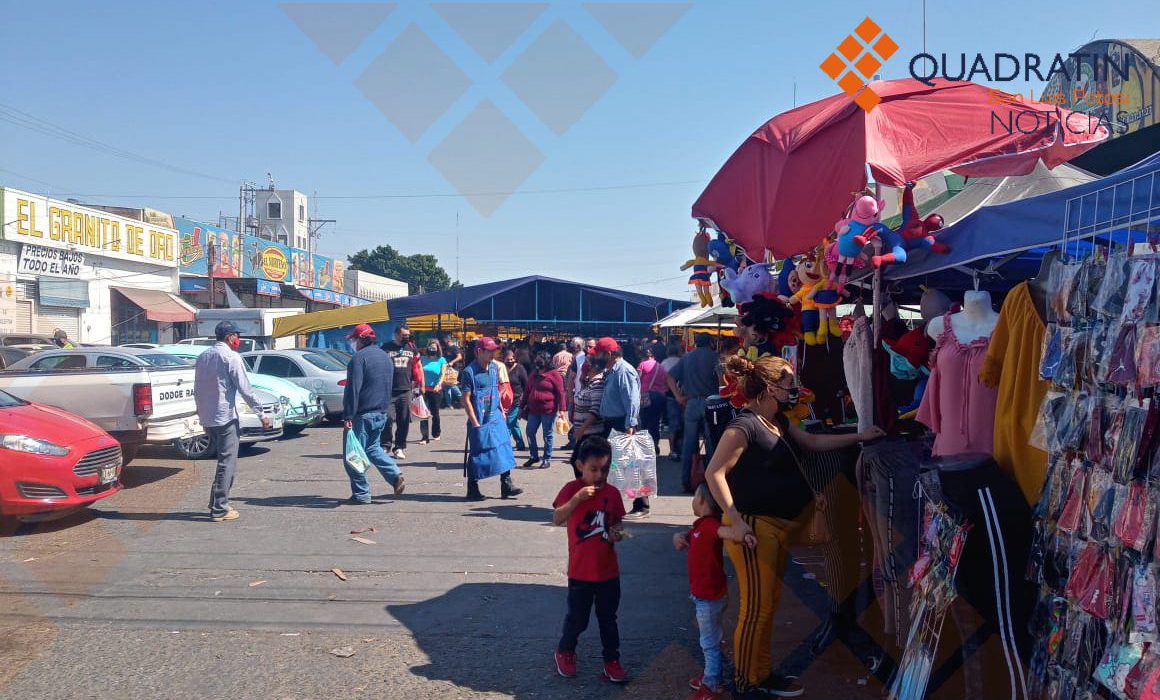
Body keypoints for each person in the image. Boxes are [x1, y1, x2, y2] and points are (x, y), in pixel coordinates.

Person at [705, 355, 884, 697]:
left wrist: (860, 436)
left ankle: (760, 674)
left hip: (773, 528)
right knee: (756, 608)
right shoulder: (743, 426)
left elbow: (813, 443)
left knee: (766, 606)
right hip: (754, 528)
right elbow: (715, 473)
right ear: (770, 389)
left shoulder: (778, 422)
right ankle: (746, 683)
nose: (794, 390)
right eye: (788, 384)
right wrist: (738, 519)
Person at [552, 435, 629, 684]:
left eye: (604, 470)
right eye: (594, 469)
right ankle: (565, 650)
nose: (599, 475)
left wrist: (617, 532)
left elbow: (616, 522)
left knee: (609, 619)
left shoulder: (613, 494)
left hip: (608, 571)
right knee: (578, 617)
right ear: (580, 466)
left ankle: (612, 661)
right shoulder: (572, 489)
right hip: (580, 572)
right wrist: (577, 500)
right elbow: (557, 518)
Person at [674, 484, 755, 700]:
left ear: (701, 501)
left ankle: (711, 685)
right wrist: (680, 537)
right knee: (713, 639)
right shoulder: (700, 527)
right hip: (709, 595)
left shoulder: (709, 525)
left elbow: (724, 533)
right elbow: (690, 537)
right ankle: (713, 675)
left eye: (694, 497)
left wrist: (742, 534)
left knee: (708, 643)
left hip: (708, 598)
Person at [193, 321, 270, 522]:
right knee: (227, 463)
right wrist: (261, 414)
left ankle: (216, 502)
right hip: (225, 417)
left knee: (222, 462)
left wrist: (201, 414)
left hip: (209, 417)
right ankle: (220, 508)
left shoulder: (204, 356)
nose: (239, 340)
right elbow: (245, 389)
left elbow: (197, 388)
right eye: (237, 335)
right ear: (229, 337)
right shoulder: (231, 357)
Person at [341, 324, 405, 504]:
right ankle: (395, 475)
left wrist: (348, 416)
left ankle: (361, 494)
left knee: (352, 455)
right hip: (381, 413)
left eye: (354, 339)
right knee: (372, 448)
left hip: (361, 415)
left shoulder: (358, 359)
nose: (353, 343)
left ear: (361, 339)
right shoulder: (385, 357)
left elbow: (353, 389)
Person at [461, 337, 523, 501]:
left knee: (504, 447)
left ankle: (506, 484)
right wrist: (474, 421)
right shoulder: (469, 372)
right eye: (489, 351)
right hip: (479, 417)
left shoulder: (495, 367)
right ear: (479, 351)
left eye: (494, 350)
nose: (493, 353)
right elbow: (466, 399)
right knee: (479, 452)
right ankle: (472, 488)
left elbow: (495, 390)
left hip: (495, 414)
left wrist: (502, 410)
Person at [593, 337, 646, 519]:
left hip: (622, 423)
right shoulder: (612, 371)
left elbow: (632, 399)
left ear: (608, 354)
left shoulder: (624, 371)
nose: (596, 358)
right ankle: (611, 504)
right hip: (611, 423)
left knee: (630, 466)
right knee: (615, 466)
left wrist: (630, 425)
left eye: (598, 354)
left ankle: (641, 505)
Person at [668, 333, 721, 494]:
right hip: (711, 403)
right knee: (712, 444)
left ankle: (686, 481)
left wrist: (678, 396)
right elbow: (723, 378)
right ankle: (712, 482)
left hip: (691, 403)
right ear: (711, 342)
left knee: (689, 445)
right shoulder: (715, 357)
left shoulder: (686, 358)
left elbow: (669, 376)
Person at [382, 326, 423, 460]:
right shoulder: (386, 347)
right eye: (404, 335)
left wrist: (421, 382)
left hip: (406, 390)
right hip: (389, 390)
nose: (406, 337)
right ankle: (385, 445)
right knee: (387, 418)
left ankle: (399, 447)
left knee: (404, 421)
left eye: (408, 335)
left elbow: (418, 365)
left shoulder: (412, 347)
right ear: (396, 334)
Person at [520, 352, 566, 469]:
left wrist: (562, 410)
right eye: (536, 359)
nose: (537, 362)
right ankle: (534, 456)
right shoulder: (534, 374)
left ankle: (546, 459)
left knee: (547, 435)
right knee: (530, 432)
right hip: (533, 410)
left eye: (540, 360)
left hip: (548, 410)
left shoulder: (554, 374)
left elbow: (561, 393)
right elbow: (527, 391)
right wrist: (521, 407)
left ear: (547, 361)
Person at [636, 346, 669, 454]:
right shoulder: (661, 367)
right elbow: (665, 383)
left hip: (646, 396)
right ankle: (655, 444)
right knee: (655, 422)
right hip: (659, 397)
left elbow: (637, 380)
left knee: (644, 421)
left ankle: (645, 446)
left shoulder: (642, 365)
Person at [418, 340, 447, 445]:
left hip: (436, 390)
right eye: (430, 347)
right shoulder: (422, 359)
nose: (432, 350)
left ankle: (436, 433)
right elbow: (418, 373)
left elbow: (443, 374)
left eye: (434, 348)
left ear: (438, 349)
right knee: (423, 414)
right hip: (423, 389)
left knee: (435, 413)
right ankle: (424, 437)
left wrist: (439, 384)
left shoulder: (441, 360)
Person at [661, 343, 684, 463]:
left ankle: (673, 451)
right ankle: (682, 450)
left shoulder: (664, 363)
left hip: (669, 396)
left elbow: (662, 380)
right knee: (682, 424)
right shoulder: (682, 361)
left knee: (673, 424)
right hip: (684, 396)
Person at [503, 349, 528, 451]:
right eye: (508, 359)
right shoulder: (502, 368)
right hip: (506, 400)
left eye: (512, 359)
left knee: (509, 422)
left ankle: (503, 444)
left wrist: (525, 399)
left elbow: (526, 384)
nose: (510, 361)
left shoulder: (519, 368)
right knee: (514, 423)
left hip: (518, 399)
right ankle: (520, 443)